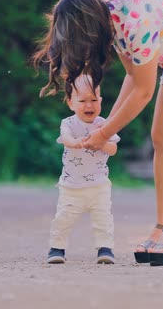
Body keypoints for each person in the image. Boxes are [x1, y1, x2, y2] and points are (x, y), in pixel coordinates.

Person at [34, 0, 163, 266]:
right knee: (162, 138)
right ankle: (162, 226)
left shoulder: (134, 21)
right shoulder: (112, 26)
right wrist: (104, 128)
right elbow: (133, 76)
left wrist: (103, 133)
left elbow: (144, 92)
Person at [46, 74, 121, 264]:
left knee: (103, 218)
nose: (89, 105)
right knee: (63, 218)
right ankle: (57, 248)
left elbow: (113, 149)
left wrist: (102, 141)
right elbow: (67, 139)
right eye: (83, 101)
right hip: (71, 185)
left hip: (99, 185)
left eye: (94, 100)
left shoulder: (104, 124)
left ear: (101, 101)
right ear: (71, 103)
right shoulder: (68, 123)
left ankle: (105, 249)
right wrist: (77, 143)